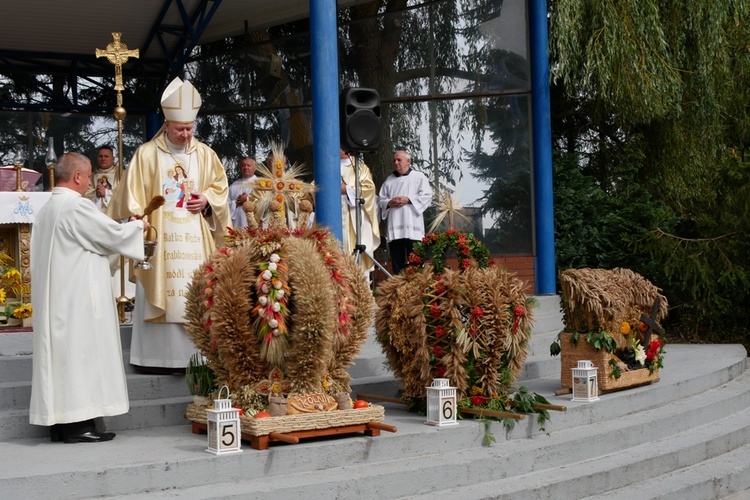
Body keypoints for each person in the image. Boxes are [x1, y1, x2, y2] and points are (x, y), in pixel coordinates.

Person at [108, 77, 230, 372]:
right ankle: (157, 359)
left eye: (190, 128)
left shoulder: (205, 154)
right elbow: (130, 196)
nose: (186, 134)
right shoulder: (147, 154)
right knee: (163, 286)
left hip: (195, 238)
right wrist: (137, 214)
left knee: (196, 289)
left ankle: (197, 359)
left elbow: (219, 189)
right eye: (180, 129)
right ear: (166, 123)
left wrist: (207, 203)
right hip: (160, 237)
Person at [29, 152, 149, 443]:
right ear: (79, 176)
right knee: (80, 355)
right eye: (89, 175)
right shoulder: (75, 207)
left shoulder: (46, 209)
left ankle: (61, 423)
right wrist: (137, 227)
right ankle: (78, 425)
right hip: (78, 298)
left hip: (58, 298)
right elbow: (111, 235)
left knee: (64, 358)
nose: (91, 182)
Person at [378, 150, 433, 275]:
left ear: (408, 161)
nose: (396, 163)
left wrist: (408, 199)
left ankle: (416, 290)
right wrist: (389, 202)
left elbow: (427, 196)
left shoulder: (419, 177)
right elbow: (381, 200)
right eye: (394, 160)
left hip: (412, 228)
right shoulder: (389, 180)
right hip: (395, 228)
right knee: (398, 266)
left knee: (415, 263)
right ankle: (399, 289)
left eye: (399, 160)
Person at [340, 149, 380, 273]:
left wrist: (347, 190)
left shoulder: (361, 168)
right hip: (336, 219)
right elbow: (316, 188)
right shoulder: (327, 167)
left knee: (358, 267)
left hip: (356, 219)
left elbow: (369, 190)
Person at [87, 145, 119, 213]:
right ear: (97, 158)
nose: (103, 159)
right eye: (100, 156)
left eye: (106, 156)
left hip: (114, 214)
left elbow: (124, 194)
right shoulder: (90, 176)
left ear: (113, 159)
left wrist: (106, 193)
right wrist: (95, 194)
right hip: (94, 214)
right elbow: (84, 194)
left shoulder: (121, 175)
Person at [228, 157, 257, 228]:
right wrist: (235, 203)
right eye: (243, 165)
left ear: (255, 168)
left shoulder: (260, 184)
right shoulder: (234, 185)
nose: (245, 167)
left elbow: (264, 201)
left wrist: (247, 199)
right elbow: (226, 203)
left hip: (255, 223)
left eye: (248, 165)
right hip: (237, 223)